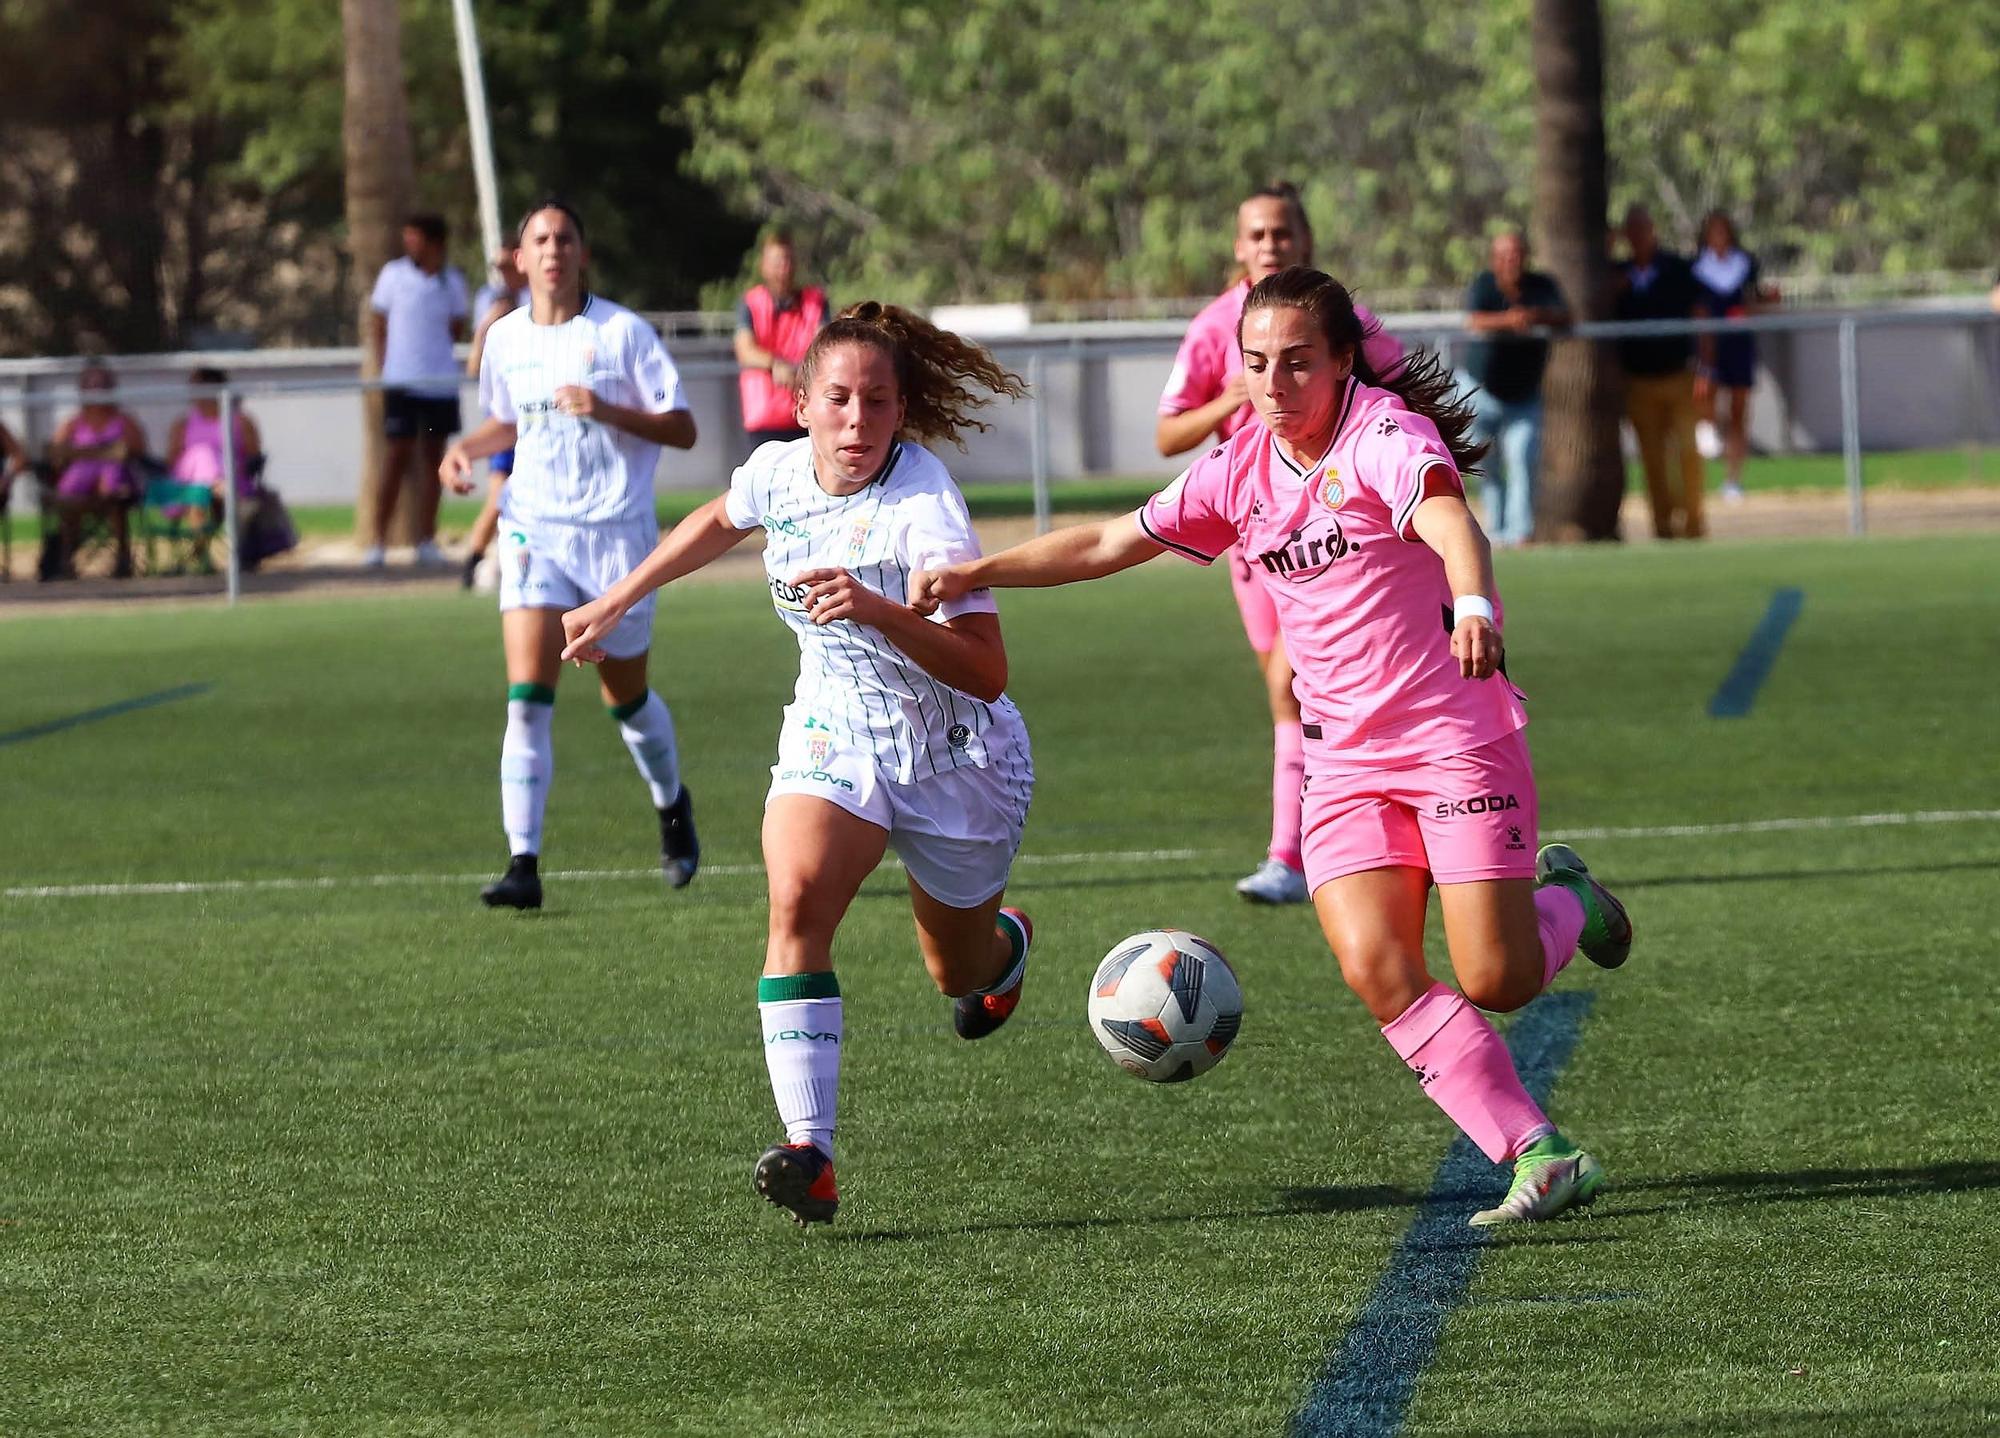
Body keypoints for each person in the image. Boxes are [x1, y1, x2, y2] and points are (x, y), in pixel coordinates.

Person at [915, 267, 1635, 1226]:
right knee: (1378, 968)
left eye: (1298, 362)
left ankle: (1565, 895)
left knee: (1495, 978)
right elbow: (1107, 544)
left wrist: (1469, 600)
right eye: (1256, 364)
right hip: (1343, 765)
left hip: (1453, 737)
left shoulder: (1384, 434)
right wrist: (979, 568)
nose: (1275, 384)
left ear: (1342, 361)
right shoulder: (1240, 468)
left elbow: (1449, 519)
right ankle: (1538, 1152)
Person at [560, 302, 1037, 1229]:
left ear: (904, 413)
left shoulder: (923, 507)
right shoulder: (779, 470)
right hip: (834, 734)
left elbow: (986, 672)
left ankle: (1003, 952)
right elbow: (719, 515)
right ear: (802, 402)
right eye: (840, 400)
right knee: (795, 900)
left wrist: (880, 609)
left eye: (878, 404)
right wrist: (618, 597)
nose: (857, 422)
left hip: (956, 757)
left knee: (957, 975)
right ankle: (810, 1151)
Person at [438, 199, 701, 911]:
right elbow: (508, 421)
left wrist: (608, 409)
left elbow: (683, 428)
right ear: (519, 259)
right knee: (527, 698)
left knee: (628, 702)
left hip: (617, 537)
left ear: (582, 254)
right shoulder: (503, 339)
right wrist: (463, 448)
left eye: (566, 238)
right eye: (540, 239)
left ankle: (672, 804)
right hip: (535, 528)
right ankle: (523, 863)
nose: (553, 250)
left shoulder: (624, 333)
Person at [1157, 181, 1405, 906]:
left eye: (1282, 235)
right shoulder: (1212, 329)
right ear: (1239, 247)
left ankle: (1296, 852)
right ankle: (1321, 846)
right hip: (1255, 541)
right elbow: (1169, 433)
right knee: (1294, 687)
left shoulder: (1343, 322)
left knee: (1293, 683)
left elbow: (1405, 392)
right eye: (1257, 235)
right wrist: (1232, 396)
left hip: (1341, 534)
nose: (1270, 246)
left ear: (1305, 242)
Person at [367, 211, 469, 568]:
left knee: (433, 461)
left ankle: (426, 539)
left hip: (439, 385)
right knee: (396, 457)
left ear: (435, 243)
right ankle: (377, 541)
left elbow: (456, 326)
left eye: (416, 238)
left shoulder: (452, 281)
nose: (409, 243)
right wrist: (386, 364)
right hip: (401, 385)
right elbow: (378, 322)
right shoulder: (392, 275)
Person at [1459, 229, 1568, 547]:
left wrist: (1535, 316)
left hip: (1524, 394)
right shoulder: (1483, 284)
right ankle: (1497, 530)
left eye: (1517, 254)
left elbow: (1566, 316)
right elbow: (1475, 321)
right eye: (1505, 255)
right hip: (1482, 391)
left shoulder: (1542, 287)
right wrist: (1510, 321)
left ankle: (1521, 532)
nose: (1512, 261)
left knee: (1522, 457)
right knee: (1486, 463)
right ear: (1495, 259)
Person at [1614, 205, 1708, 539]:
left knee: (1686, 451)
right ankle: (1664, 527)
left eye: (1644, 229)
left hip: (1678, 376)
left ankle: (1694, 523)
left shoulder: (1677, 269)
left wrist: (1706, 369)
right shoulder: (1618, 275)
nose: (1638, 237)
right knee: (1652, 459)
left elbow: (1701, 315)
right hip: (1639, 380)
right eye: (1632, 231)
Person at [1691, 211, 1777, 503]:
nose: (1719, 237)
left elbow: (1753, 297)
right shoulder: (1696, 267)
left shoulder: (1745, 263)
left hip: (1739, 343)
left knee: (1739, 411)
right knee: (1704, 399)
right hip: (1707, 344)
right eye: (1713, 232)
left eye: (1723, 231)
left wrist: (1762, 302)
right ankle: (1708, 436)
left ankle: (1733, 480)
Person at [461, 244, 531, 588]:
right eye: (498, 266)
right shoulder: (491, 303)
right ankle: (474, 559)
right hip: (507, 419)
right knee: (500, 494)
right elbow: (476, 365)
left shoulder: (543, 302)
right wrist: (488, 323)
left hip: (538, 416)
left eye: (507, 264)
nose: (502, 273)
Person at [733, 230, 829, 451]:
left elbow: (825, 345)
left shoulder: (815, 302)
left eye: (788, 261)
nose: (783, 269)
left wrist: (802, 371)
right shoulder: (751, 303)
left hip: (807, 412)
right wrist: (775, 364)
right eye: (777, 262)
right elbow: (744, 350)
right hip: (765, 415)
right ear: (763, 266)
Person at [49, 363, 146, 579]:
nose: (96, 389)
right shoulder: (73, 423)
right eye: (91, 384)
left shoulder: (124, 421)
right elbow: (56, 453)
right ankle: (66, 560)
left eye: (101, 384)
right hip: (80, 490)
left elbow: (138, 450)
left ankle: (122, 559)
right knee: (71, 494)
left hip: (116, 489)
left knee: (113, 480)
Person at [163, 366, 264, 565]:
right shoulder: (183, 424)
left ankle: (202, 552)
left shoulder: (240, 421)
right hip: (189, 483)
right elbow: (172, 460)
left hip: (233, 479)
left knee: (202, 492)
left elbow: (254, 456)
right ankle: (215, 488)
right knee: (201, 455)